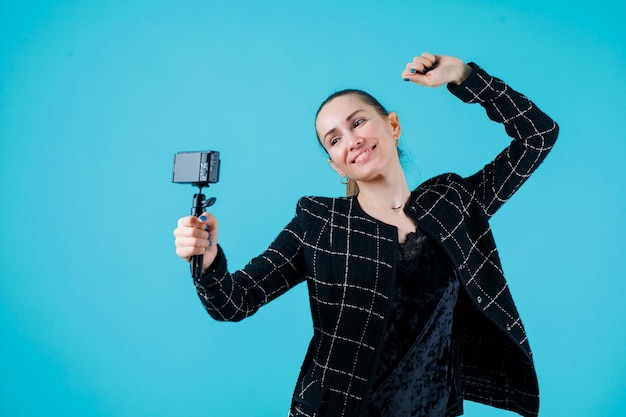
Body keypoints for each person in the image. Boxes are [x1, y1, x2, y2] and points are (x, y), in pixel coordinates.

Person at [173, 52, 559, 417]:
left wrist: (464, 76)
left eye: (358, 122)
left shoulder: (452, 205)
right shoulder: (319, 222)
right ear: (335, 164)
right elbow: (233, 303)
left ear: (392, 125)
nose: (351, 140)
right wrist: (207, 259)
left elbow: (539, 136)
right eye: (335, 139)